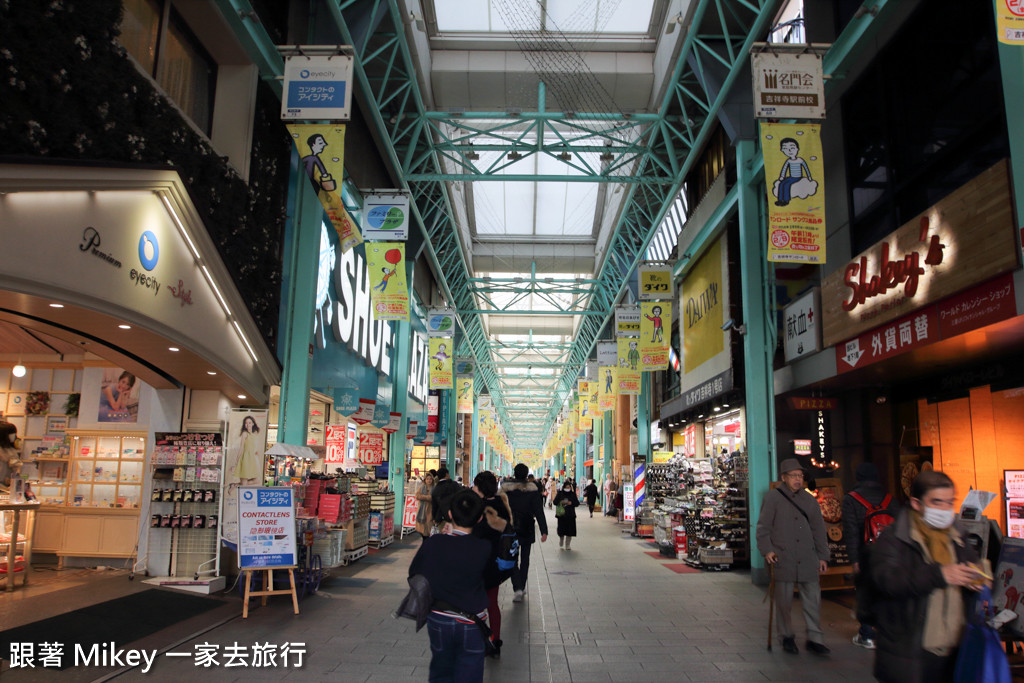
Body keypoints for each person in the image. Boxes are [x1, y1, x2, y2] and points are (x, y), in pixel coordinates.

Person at [868, 471, 987, 683]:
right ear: (917, 503)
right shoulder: (895, 538)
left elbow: (974, 570)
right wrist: (939, 574)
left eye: (950, 502)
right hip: (911, 652)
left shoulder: (957, 535)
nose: (945, 509)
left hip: (955, 649)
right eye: (937, 502)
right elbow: (887, 581)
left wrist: (978, 578)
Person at [408, 489, 491, 683]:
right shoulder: (484, 547)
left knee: (441, 671)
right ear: (479, 519)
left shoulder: (434, 543)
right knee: (470, 672)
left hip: (439, 618)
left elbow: (415, 573)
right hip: (473, 622)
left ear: (450, 515)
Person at [755, 458, 831, 655]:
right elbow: (763, 528)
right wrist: (768, 550)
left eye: (800, 476)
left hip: (808, 558)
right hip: (782, 558)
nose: (798, 479)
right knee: (784, 603)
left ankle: (815, 638)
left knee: (813, 601)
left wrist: (823, 556)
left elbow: (819, 530)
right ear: (783, 478)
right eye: (793, 476)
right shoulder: (773, 498)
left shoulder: (809, 500)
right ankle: (786, 636)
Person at [842, 462, 899, 649]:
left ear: (858, 477)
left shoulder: (851, 499)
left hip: (866, 554)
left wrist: (854, 560)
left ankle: (866, 636)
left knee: (866, 592)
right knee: (886, 591)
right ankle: (888, 632)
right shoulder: (890, 499)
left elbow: (850, 532)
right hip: (889, 554)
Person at [471, 471, 513, 659]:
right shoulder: (502, 505)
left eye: (475, 485)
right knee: (492, 604)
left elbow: (473, 534)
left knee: (473, 604)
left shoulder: (479, 509)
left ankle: (478, 639)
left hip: (478, 563)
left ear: (480, 487)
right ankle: (495, 640)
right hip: (496, 562)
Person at [501, 463, 548, 602]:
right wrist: (544, 530)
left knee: (513, 558)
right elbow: (539, 511)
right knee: (525, 559)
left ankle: (518, 588)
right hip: (527, 527)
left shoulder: (506, 490)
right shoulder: (532, 491)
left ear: (514, 474)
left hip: (511, 528)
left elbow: (501, 509)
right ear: (527, 475)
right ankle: (521, 584)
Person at [230, 415, 262, 485]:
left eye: (250, 423)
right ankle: (235, 486)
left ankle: (234, 485)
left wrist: (256, 452)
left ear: (253, 423)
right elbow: (241, 447)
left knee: (257, 480)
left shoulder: (254, 434)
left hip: (252, 459)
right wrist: (237, 461)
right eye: (246, 423)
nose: (248, 425)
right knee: (244, 482)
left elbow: (253, 446)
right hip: (245, 458)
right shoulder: (245, 434)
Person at [553, 481, 580, 549]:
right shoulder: (560, 493)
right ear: (564, 487)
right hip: (562, 515)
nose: (568, 488)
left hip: (570, 514)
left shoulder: (573, 494)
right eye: (566, 487)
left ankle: (567, 544)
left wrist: (571, 503)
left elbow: (577, 503)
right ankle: (561, 539)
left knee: (570, 530)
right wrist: (561, 502)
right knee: (561, 529)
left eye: (569, 487)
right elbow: (555, 502)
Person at [415, 471, 436, 538]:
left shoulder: (434, 488)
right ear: (425, 480)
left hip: (430, 510)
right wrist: (427, 497)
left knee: (429, 526)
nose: (429, 480)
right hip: (422, 510)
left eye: (430, 479)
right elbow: (417, 496)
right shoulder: (421, 488)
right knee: (422, 527)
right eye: (427, 479)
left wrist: (423, 497)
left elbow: (433, 498)